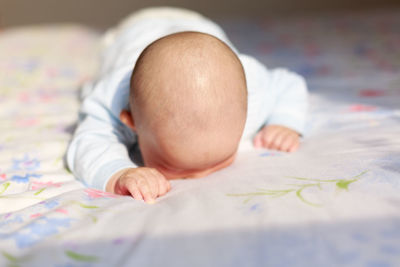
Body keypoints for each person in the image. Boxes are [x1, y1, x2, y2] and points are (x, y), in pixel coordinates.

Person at [66, 7, 308, 203]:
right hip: (129, 33)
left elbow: (288, 83)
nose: (199, 177)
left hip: (196, 24)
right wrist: (120, 173)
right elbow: (90, 140)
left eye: (221, 160)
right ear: (131, 121)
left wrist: (284, 122)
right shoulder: (111, 100)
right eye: (172, 166)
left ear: (245, 111)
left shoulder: (253, 86)